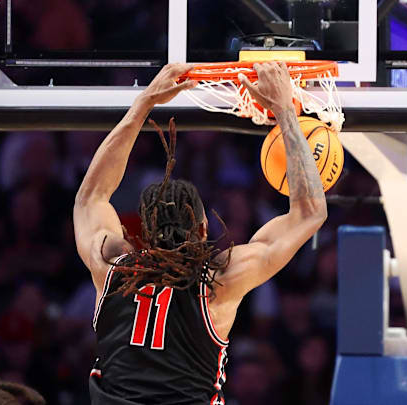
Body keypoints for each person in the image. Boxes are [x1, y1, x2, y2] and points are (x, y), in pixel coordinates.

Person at [73, 62, 327, 404]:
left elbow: (91, 196)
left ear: (144, 230)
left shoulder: (111, 266)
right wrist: (284, 109)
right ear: (204, 229)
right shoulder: (217, 283)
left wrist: (144, 104)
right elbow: (310, 212)